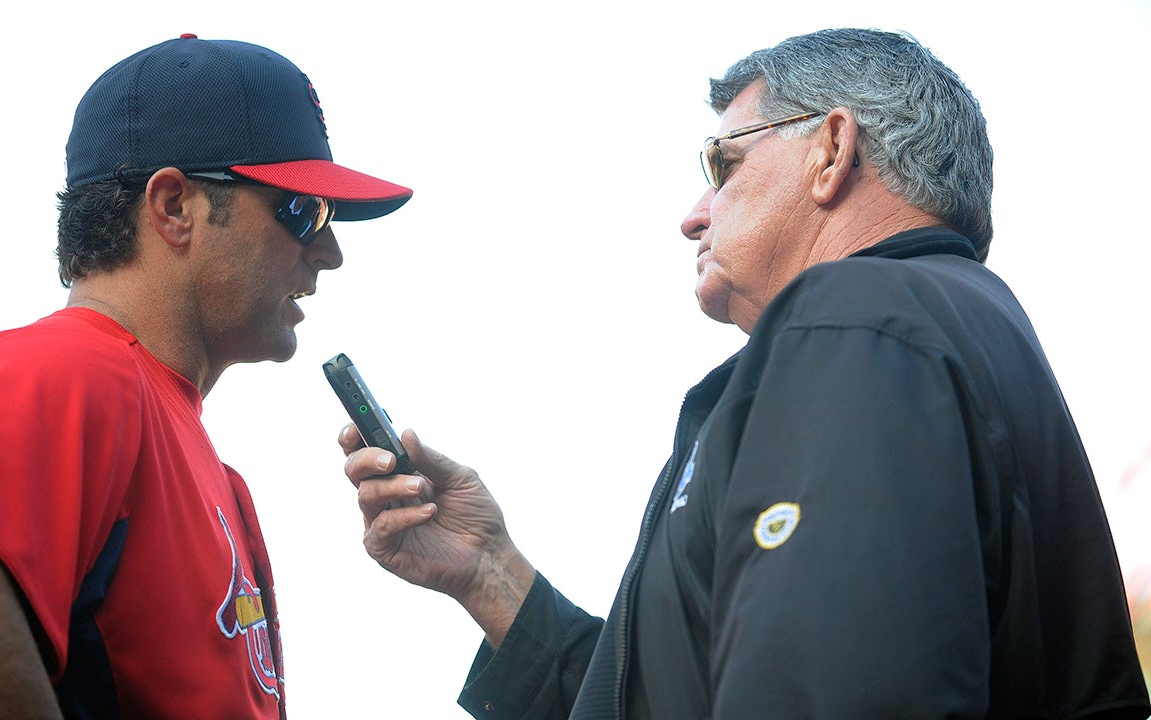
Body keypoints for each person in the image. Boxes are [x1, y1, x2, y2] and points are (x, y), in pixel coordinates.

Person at [341, 28, 1151, 719]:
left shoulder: (859, 318)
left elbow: (825, 693)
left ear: (832, 150)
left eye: (722, 163)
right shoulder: (929, 327)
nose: (693, 213)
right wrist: (488, 572)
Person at [0, 34, 411, 719]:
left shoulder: (196, 458)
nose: (328, 253)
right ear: (174, 207)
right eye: (302, 211)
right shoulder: (78, 369)